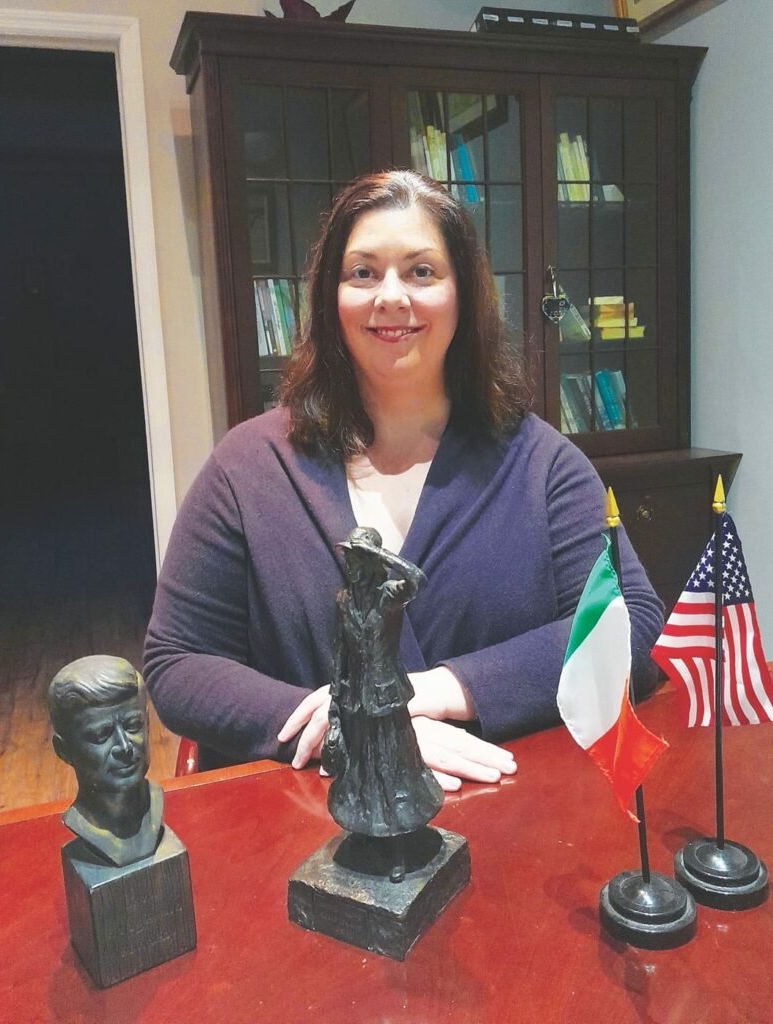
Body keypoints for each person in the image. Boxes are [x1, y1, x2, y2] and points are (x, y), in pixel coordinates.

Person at [144, 170, 663, 791]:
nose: (391, 296)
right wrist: (350, 724)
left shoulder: (543, 465)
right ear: (330, 298)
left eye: (422, 271)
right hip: (311, 830)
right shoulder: (246, 468)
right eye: (362, 272)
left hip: (509, 815)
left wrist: (437, 692)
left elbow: (627, 622)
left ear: (464, 294)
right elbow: (177, 663)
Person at [323, 527, 444, 881]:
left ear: (373, 562)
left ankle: (399, 849)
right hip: (356, 700)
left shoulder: (388, 595)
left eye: (359, 558)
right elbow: (339, 656)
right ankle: (366, 837)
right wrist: (334, 709)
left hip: (388, 697)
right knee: (362, 774)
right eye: (349, 558)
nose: (352, 565)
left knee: (395, 773)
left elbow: (417, 580)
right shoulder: (343, 600)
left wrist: (384, 556)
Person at [49, 655, 164, 866]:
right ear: (64, 750)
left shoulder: (157, 806)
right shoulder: (81, 825)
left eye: (133, 725)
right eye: (101, 735)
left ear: (147, 722)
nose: (124, 746)